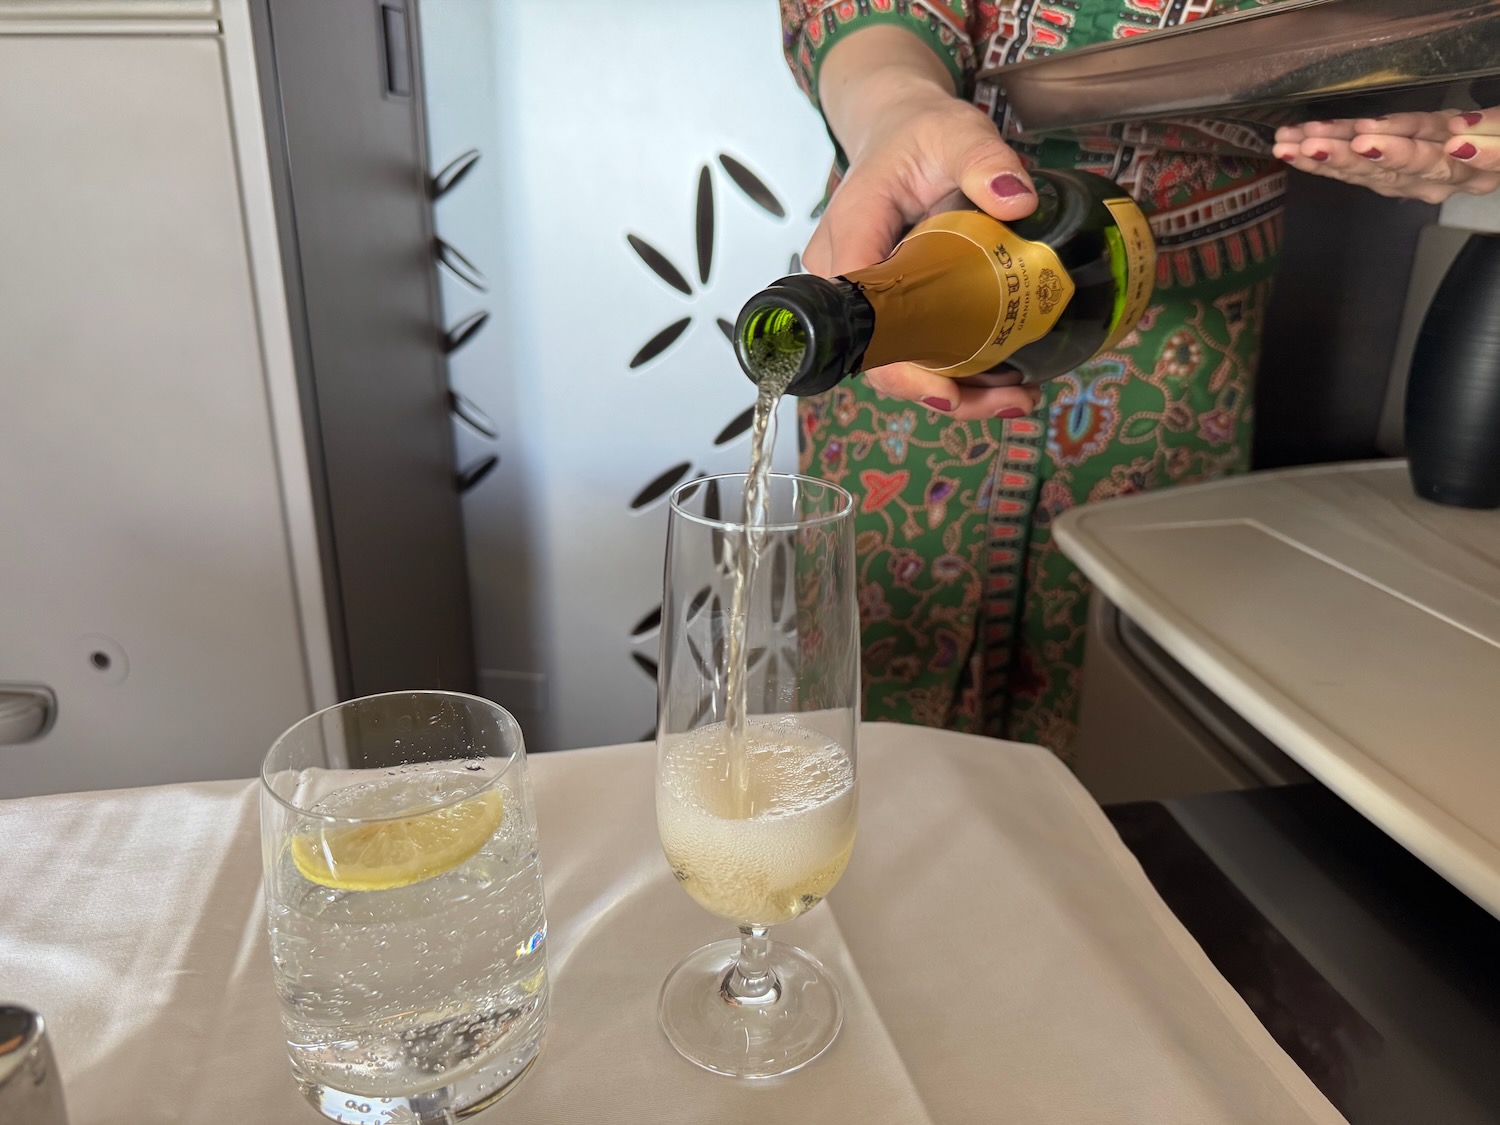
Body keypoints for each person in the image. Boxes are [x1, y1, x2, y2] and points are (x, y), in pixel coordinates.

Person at [776, 1, 1500, 756]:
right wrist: (895, 102)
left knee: (1119, 716)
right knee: (864, 719)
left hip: (1181, 335)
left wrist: (1474, 120)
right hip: (917, 230)